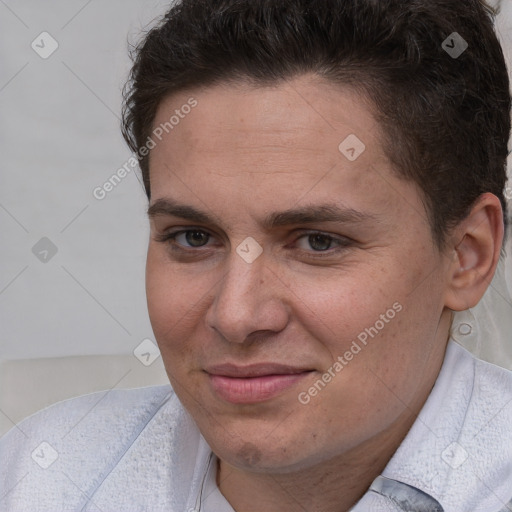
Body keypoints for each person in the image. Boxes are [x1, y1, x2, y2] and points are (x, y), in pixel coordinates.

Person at [1, 0, 512, 510]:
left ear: (468, 255)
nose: (236, 316)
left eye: (318, 241)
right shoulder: (43, 475)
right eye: (193, 238)